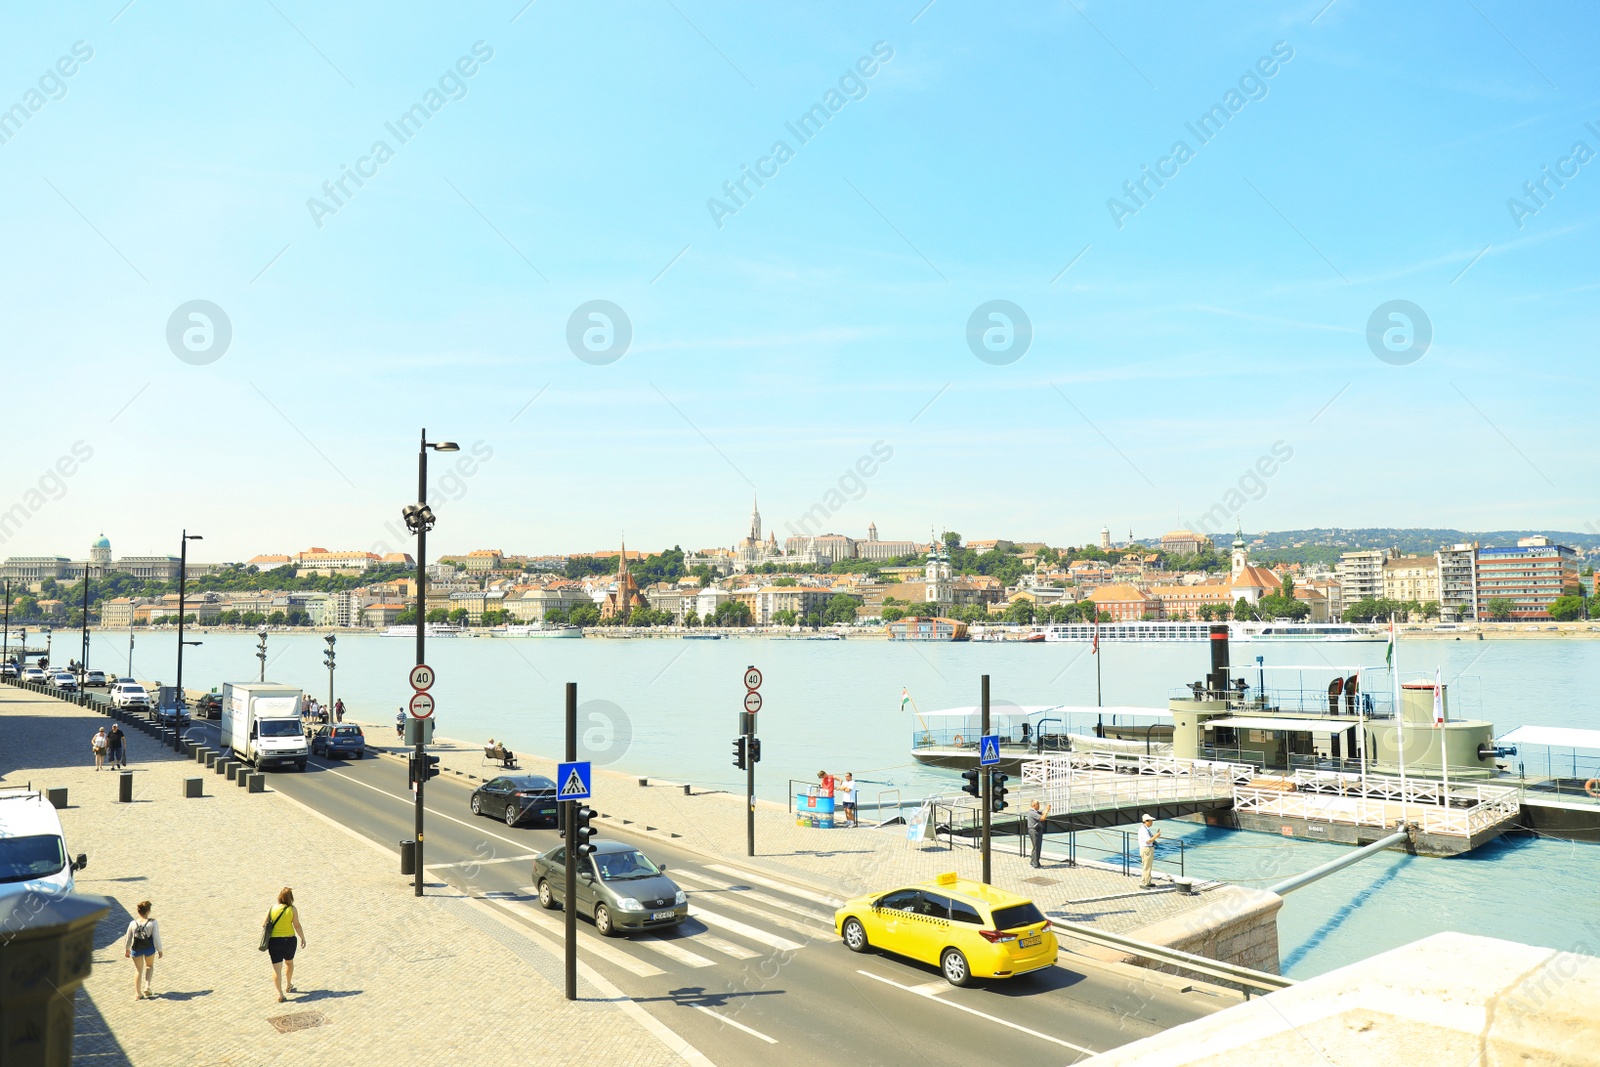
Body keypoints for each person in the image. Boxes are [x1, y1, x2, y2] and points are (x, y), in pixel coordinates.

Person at [263, 887, 307, 1002]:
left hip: (274, 941)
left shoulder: (272, 908)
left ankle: (280, 993)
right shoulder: (292, 909)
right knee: (289, 963)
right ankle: (288, 984)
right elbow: (297, 925)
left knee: (276, 968)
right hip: (289, 941)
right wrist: (302, 937)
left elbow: (264, 924)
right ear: (291, 898)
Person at [124, 900, 163, 1000]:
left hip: (136, 948)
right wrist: (160, 950)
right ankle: (147, 986)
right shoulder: (153, 923)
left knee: (138, 970)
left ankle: (138, 993)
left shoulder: (133, 923)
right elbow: (156, 937)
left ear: (138, 911)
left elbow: (128, 938)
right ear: (148, 911)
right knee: (149, 966)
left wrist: (127, 949)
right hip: (149, 947)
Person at [1025, 799, 1051, 868]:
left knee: (1036, 847)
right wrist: (1046, 812)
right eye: (1038, 804)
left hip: (1037, 830)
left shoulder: (1035, 812)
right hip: (1034, 830)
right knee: (1036, 847)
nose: (1039, 806)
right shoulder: (1032, 813)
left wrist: (1047, 809)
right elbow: (1042, 818)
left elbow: (1042, 813)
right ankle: (1035, 863)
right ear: (1034, 805)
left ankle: (1034, 861)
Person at [1139, 813, 1161, 889]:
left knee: (1148, 866)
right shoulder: (1143, 830)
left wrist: (1155, 836)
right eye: (1151, 821)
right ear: (1146, 821)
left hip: (1148, 849)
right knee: (1146, 866)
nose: (1152, 822)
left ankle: (1148, 881)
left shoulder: (1146, 829)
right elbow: (1148, 841)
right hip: (1146, 849)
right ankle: (1143, 883)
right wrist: (1156, 836)